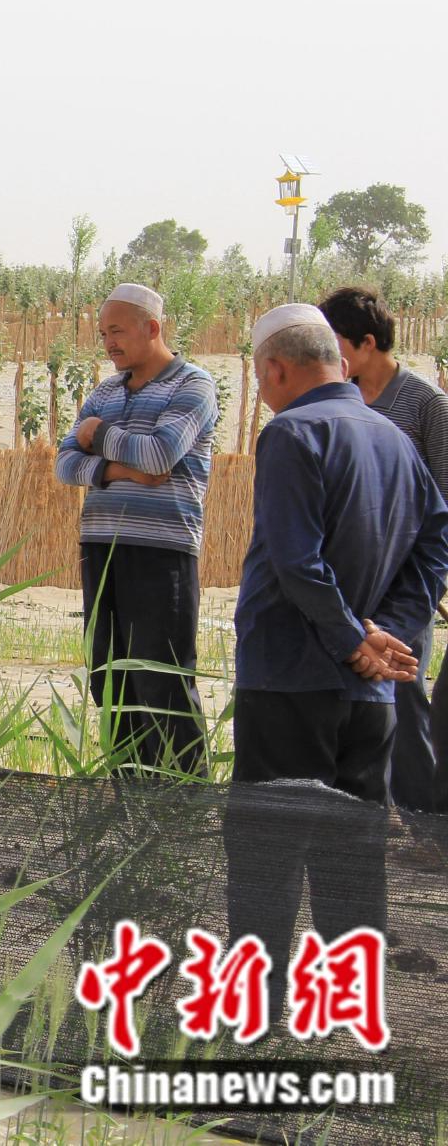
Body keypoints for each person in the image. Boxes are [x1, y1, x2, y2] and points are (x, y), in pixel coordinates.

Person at [225, 304, 448, 996]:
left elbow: (296, 561)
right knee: (354, 857)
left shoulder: (292, 434)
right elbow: (435, 544)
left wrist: (356, 639)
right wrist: (391, 633)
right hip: (370, 697)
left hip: (288, 681)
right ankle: (350, 1014)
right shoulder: (392, 440)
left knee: (268, 854)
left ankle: (254, 1019)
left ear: (276, 368)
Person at [54, 283, 218, 777]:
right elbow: (65, 464)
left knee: (162, 682)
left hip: (161, 551)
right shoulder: (105, 391)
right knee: (110, 679)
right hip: (102, 548)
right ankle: (132, 805)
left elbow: (160, 455)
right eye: (103, 333)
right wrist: (121, 470)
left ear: (153, 327)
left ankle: (186, 809)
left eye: (118, 331)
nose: (109, 343)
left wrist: (97, 437)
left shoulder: (193, 385)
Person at [318, 285, 448, 811]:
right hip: (350, 577)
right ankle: (371, 810)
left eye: (336, 343)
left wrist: (425, 582)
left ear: (367, 343)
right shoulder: (337, 403)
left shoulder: (426, 405)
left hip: (404, 584)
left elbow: (442, 497)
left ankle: (421, 821)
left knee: (405, 691)